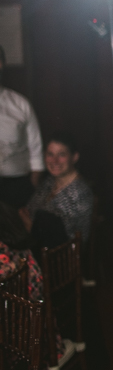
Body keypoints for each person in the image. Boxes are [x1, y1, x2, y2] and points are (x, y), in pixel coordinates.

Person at [22, 132, 93, 248]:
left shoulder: (80, 193)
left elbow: (64, 240)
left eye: (61, 154)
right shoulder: (49, 182)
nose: (54, 161)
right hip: (38, 247)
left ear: (74, 157)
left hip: (61, 259)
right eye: (50, 154)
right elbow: (28, 210)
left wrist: (30, 225)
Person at [0, 45, 44, 210]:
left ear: (1, 65)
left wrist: (32, 186)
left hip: (17, 186)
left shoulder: (20, 104)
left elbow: (36, 150)